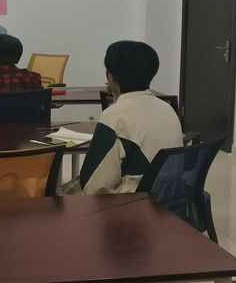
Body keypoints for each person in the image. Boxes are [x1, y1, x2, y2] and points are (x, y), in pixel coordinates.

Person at [77, 40, 183, 195]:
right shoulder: (167, 108)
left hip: (131, 202)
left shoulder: (114, 116)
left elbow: (93, 185)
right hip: (167, 195)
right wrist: (118, 97)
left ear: (111, 77)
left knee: (61, 195)